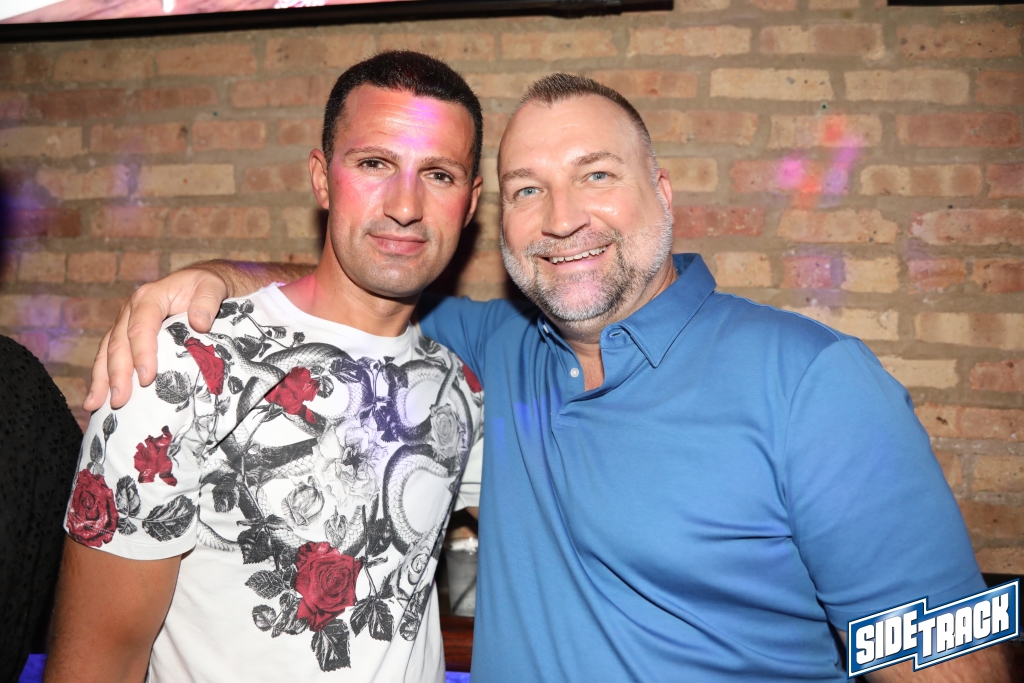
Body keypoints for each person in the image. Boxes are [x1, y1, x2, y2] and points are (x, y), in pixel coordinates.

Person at [85, 74, 1010, 682]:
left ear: (663, 192)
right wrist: (210, 278)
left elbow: (949, 653)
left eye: (595, 175)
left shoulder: (812, 382)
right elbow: (360, 281)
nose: (562, 218)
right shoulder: (493, 350)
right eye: (529, 188)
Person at [46, 51, 485, 682]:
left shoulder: (460, 388)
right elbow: (95, 664)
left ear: (469, 203)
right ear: (322, 178)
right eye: (373, 164)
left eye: (439, 174)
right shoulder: (180, 365)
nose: (406, 204)